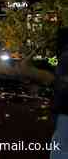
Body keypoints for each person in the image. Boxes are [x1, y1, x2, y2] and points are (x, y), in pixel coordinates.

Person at [51, 28, 68, 158]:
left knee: (60, 147)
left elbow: (61, 86)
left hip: (64, 111)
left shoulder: (65, 57)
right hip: (62, 110)